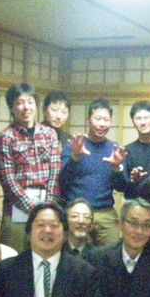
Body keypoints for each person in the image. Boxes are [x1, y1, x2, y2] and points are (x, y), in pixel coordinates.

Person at [0, 83, 61, 252]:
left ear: (36, 105)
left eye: (30, 102)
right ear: (11, 108)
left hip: (46, 207)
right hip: (16, 210)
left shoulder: (49, 134)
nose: (26, 107)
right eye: (19, 103)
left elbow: (55, 172)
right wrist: (33, 208)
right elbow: (8, 180)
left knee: (44, 255)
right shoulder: (5, 137)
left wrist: (46, 206)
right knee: (13, 258)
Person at [59, 99, 127, 246]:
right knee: (76, 255)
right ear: (88, 120)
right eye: (98, 118)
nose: (102, 124)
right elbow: (62, 181)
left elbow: (122, 187)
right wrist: (75, 157)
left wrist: (116, 167)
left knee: (111, 255)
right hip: (78, 213)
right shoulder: (74, 146)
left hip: (105, 214)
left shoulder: (115, 149)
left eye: (106, 120)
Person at [119, 101, 150, 198]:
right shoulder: (127, 150)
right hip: (136, 203)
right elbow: (122, 186)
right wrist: (133, 180)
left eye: (147, 118)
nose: (143, 122)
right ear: (133, 122)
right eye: (138, 118)